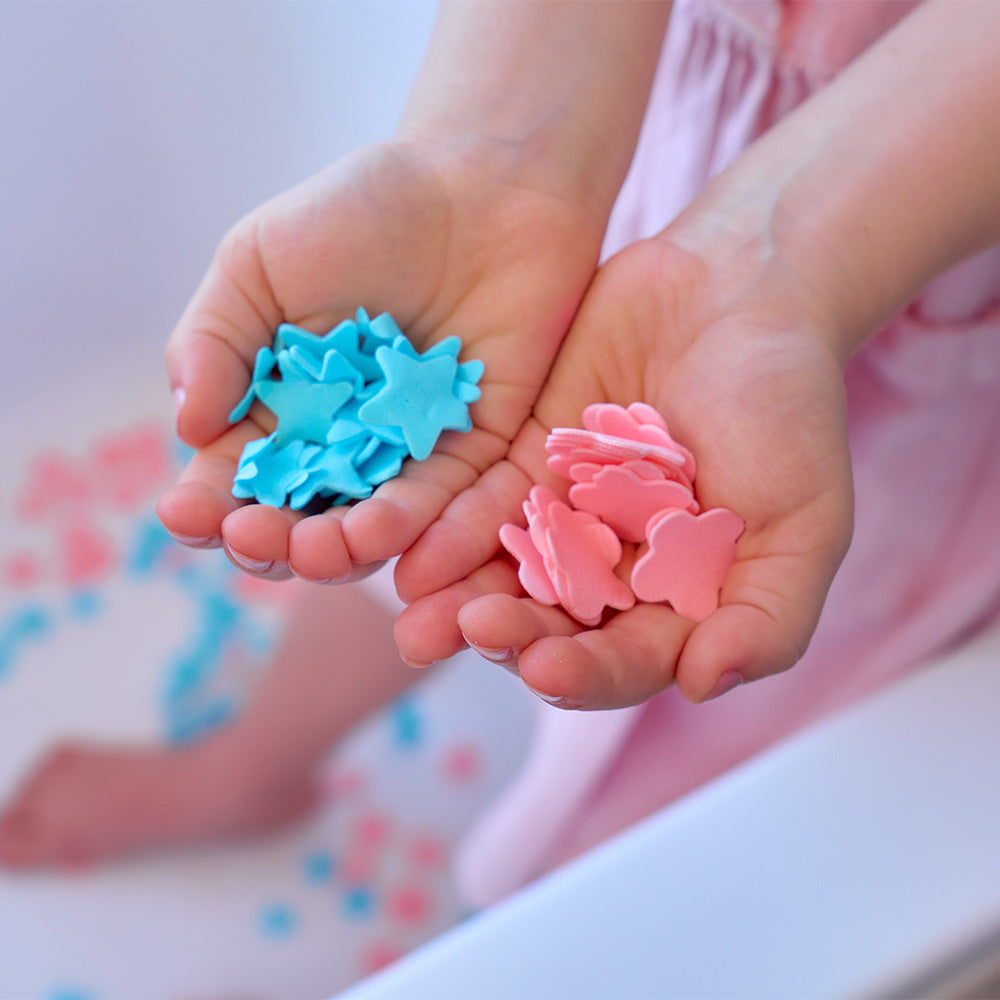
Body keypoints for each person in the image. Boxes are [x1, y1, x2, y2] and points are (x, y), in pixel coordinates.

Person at [3, 0, 1000, 909]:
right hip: (620, 123)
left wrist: (787, 259)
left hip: (915, 226)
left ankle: (573, 913)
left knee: (721, 741)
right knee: (408, 518)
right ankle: (251, 761)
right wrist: (490, 147)